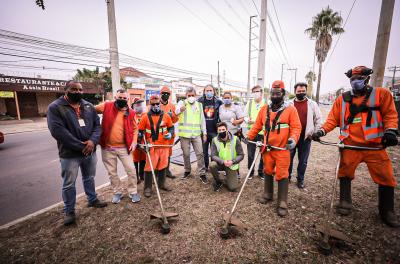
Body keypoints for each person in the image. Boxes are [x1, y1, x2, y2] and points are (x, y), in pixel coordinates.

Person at [312, 66, 399, 227]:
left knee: (386, 177)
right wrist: (321, 131)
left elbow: (390, 115)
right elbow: (332, 120)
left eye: (359, 79)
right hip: (350, 145)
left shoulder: (381, 94)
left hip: (375, 146)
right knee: (345, 172)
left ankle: (386, 210)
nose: (355, 82)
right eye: (353, 79)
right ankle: (345, 201)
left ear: (366, 79)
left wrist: (390, 132)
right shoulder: (342, 99)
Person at [47, 80, 107, 226]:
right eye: (74, 89)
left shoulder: (88, 106)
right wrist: (81, 146)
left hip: (90, 151)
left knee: (89, 177)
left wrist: (92, 142)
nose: (78, 92)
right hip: (70, 154)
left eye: (80, 90)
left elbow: (97, 126)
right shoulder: (55, 107)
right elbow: (58, 131)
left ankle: (92, 199)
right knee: (69, 183)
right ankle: (69, 211)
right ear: (66, 90)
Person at [247, 80, 301, 217]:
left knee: (283, 174)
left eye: (278, 93)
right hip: (267, 148)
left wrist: (293, 139)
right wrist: (249, 137)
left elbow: (296, 127)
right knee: (268, 170)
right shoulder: (265, 109)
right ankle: (267, 194)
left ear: (283, 94)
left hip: (282, 149)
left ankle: (282, 201)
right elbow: (257, 126)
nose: (275, 95)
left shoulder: (290, 109)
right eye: (273, 93)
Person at [96, 89, 140, 204]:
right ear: (115, 97)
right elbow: (91, 110)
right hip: (107, 148)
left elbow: (136, 129)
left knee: (131, 170)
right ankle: (117, 192)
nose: (122, 100)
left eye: (124, 98)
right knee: (112, 173)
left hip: (125, 148)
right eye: (119, 98)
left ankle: (133, 191)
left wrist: (134, 142)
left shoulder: (131, 113)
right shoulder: (106, 106)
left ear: (128, 99)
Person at [138, 94, 174, 197]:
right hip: (152, 146)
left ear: (160, 104)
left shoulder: (166, 116)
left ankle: (161, 184)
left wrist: (170, 133)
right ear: (150, 104)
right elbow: (140, 131)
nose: (155, 106)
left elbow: (171, 128)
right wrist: (141, 142)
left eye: (157, 104)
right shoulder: (145, 117)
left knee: (163, 166)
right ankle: (148, 188)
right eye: (153, 104)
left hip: (164, 146)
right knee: (149, 167)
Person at [288, 82, 322, 188]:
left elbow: (319, 119)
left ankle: (300, 179)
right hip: (291, 137)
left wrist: (316, 132)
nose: (301, 93)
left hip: (305, 137)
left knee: (303, 161)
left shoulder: (312, 104)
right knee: (288, 158)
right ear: (295, 92)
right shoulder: (288, 104)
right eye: (299, 91)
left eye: (303, 91)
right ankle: (286, 177)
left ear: (306, 91)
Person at [175, 87, 208, 183]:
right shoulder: (182, 103)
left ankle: (202, 173)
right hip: (184, 134)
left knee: (200, 153)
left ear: (195, 95)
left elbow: (202, 120)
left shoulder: (199, 105)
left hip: (196, 134)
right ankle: (187, 170)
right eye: (189, 95)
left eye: (192, 95)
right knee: (186, 154)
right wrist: (180, 109)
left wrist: (204, 133)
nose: (191, 97)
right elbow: (176, 112)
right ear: (186, 96)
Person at [210, 122, 245, 192]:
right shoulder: (214, 140)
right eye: (219, 130)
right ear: (217, 131)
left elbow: (241, 155)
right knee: (212, 165)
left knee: (233, 188)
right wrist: (222, 161)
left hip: (231, 164)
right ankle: (218, 181)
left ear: (227, 130)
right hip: (220, 163)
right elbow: (213, 155)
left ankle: (227, 179)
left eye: (223, 129)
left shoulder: (235, 139)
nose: (221, 131)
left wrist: (233, 161)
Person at [198, 84, 223, 171]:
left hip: (214, 131)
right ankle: (205, 167)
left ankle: (213, 167)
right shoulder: (199, 101)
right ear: (204, 92)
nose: (209, 92)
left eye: (210, 90)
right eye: (207, 91)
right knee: (204, 151)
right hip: (203, 131)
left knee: (214, 152)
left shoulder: (218, 102)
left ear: (214, 91)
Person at [244, 85, 266, 180]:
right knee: (250, 153)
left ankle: (261, 172)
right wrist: (246, 119)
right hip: (251, 132)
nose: (256, 93)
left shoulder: (266, 103)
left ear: (261, 92)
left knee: (263, 153)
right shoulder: (249, 104)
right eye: (254, 92)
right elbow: (244, 116)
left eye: (257, 91)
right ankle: (250, 172)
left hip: (263, 133)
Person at [159, 86, 179, 179]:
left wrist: (173, 116)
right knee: (159, 152)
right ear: (161, 94)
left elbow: (175, 120)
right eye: (164, 93)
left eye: (167, 94)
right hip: (159, 134)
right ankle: (159, 171)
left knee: (169, 152)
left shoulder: (172, 106)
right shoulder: (156, 105)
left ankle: (167, 171)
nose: (165, 95)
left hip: (170, 132)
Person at [131, 98, 146, 184]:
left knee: (143, 158)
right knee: (135, 160)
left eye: (140, 104)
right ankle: (136, 177)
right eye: (137, 104)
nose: (139, 106)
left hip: (144, 141)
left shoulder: (146, 115)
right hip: (135, 142)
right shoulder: (132, 115)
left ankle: (142, 175)